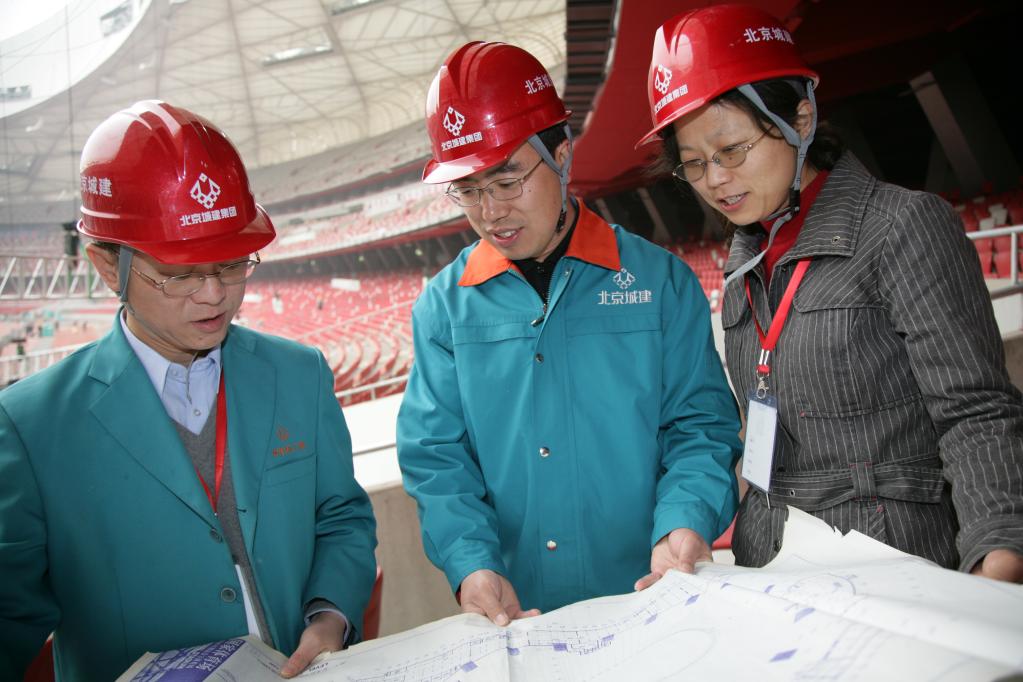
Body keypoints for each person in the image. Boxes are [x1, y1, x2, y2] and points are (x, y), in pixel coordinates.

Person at [638, 4, 1023, 582]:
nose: (715, 179)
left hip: (890, 569)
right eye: (693, 164)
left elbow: (976, 412)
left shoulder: (901, 227)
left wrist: (999, 553)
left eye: (732, 150)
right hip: (775, 570)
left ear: (800, 117)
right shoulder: (746, 259)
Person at [0, 100, 378, 681]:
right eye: (179, 274)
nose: (214, 295)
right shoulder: (31, 427)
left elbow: (342, 518)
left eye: (230, 265)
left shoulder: (299, 374)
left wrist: (330, 614)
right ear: (107, 266)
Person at [397, 41, 743, 626]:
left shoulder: (660, 283)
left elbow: (701, 427)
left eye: (507, 180)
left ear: (561, 157)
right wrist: (470, 563)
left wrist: (684, 522)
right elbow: (436, 459)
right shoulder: (443, 308)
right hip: (521, 615)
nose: (490, 211)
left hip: (652, 596)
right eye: (469, 189)